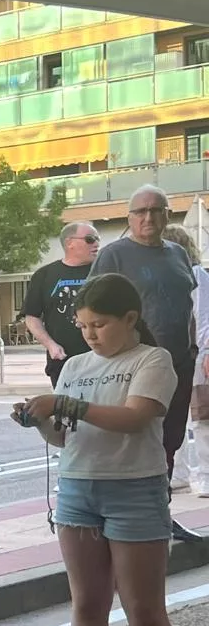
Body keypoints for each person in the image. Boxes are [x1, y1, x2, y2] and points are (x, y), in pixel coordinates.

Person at [10, 273, 189, 626]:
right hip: (78, 491)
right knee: (87, 604)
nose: (90, 335)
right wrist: (41, 418)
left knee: (144, 610)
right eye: (83, 326)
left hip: (135, 490)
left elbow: (136, 417)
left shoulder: (152, 360)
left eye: (100, 325)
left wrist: (64, 403)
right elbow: (66, 438)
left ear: (130, 319)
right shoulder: (75, 367)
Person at [90, 185, 195, 491]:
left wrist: (193, 348)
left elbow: (188, 304)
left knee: (170, 440)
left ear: (167, 215)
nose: (148, 217)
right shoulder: (114, 255)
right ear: (130, 217)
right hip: (135, 366)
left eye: (156, 210)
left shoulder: (178, 254)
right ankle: (136, 516)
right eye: (140, 211)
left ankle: (162, 515)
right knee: (136, 442)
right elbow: (92, 309)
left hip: (179, 362)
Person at [20, 221, 99, 385]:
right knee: (66, 409)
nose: (97, 243)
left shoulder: (104, 270)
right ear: (69, 243)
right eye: (90, 239)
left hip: (102, 359)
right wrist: (50, 345)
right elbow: (32, 316)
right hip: (63, 362)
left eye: (98, 238)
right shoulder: (45, 275)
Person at [163, 224, 209, 496]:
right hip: (175, 355)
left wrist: (206, 352)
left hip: (196, 354)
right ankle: (178, 473)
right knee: (174, 417)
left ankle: (205, 475)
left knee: (202, 418)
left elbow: (203, 317)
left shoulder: (196, 275)